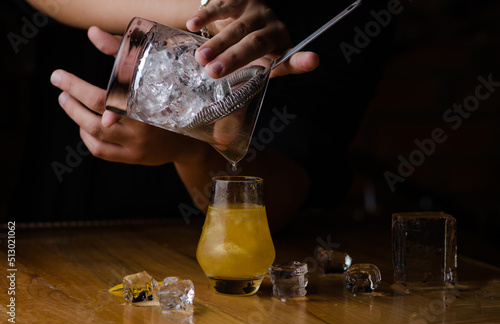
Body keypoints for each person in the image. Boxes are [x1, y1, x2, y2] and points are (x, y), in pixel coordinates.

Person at [7, 0, 395, 231]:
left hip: (194, 252)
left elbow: (283, 194)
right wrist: (205, 10)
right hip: (60, 219)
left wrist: (194, 151)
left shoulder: (349, 19)